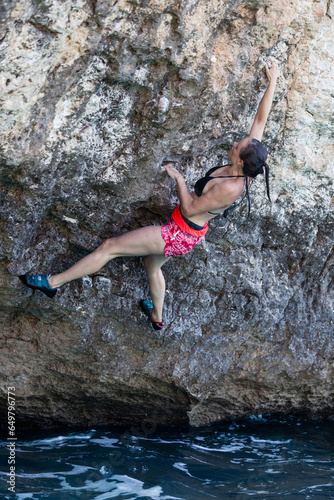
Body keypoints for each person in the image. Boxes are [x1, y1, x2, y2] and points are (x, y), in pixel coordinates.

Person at [20, 61, 279, 330]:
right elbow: (260, 120)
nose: (235, 144)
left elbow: (190, 209)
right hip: (187, 233)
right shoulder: (250, 159)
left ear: (240, 163)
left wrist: (178, 178)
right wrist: (273, 81)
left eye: (238, 147)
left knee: (110, 247)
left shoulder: (230, 187)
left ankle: (52, 283)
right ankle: (157, 317)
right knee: (151, 265)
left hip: (179, 233)